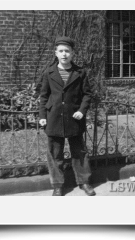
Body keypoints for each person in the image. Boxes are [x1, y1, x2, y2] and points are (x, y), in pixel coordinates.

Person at [38, 36, 95, 196]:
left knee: (79, 153)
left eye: (67, 51)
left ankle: (84, 182)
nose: (64, 54)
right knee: (55, 153)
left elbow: (87, 94)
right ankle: (57, 185)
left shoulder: (80, 72)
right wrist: (42, 115)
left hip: (74, 118)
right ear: (56, 53)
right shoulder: (49, 73)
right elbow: (44, 96)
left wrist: (82, 111)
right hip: (54, 118)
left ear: (72, 53)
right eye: (61, 51)